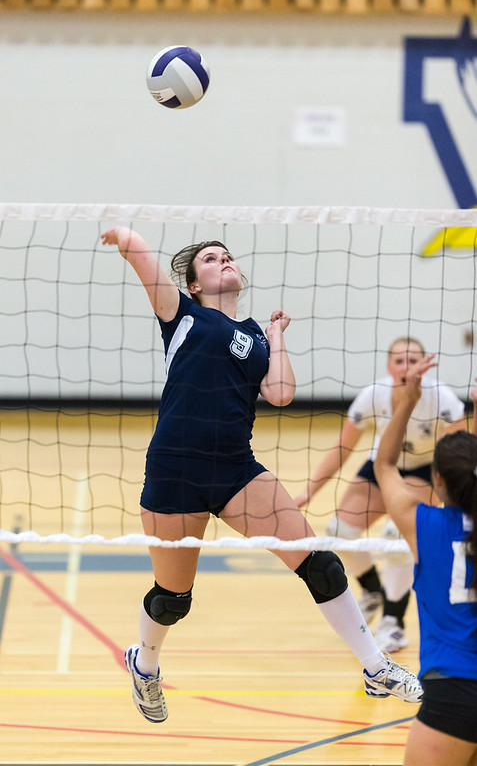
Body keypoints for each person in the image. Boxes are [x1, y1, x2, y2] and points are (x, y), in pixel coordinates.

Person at [101, 227, 423, 724]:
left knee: (319, 562)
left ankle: (375, 667)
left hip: (235, 469)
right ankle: (145, 664)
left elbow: (279, 393)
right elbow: (143, 262)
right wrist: (124, 235)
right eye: (211, 258)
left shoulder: (253, 335)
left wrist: (274, 336)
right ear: (195, 285)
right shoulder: (183, 315)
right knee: (173, 600)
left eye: (227, 255)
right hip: (175, 470)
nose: (223, 259)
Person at [295, 337, 466, 653]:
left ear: (425, 365)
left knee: (396, 539)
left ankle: (394, 622)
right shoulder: (373, 396)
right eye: (399, 361)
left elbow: (460, 450)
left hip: (425, 470)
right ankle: (373, 590)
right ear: (389, 366)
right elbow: (343, 448)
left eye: (413, 360)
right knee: (339, 531)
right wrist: (310, 490)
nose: (406, 367)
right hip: (381, 465)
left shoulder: (441, 397)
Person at [374, 357, 477, 766]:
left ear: (437, 481)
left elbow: (384, 465)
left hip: (454, 690)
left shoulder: (426, 527)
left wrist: (407, 402)